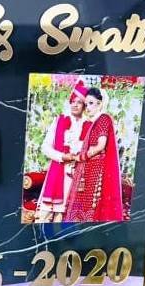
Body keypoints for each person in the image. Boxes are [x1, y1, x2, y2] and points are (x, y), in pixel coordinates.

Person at [64, 87, 123, 222]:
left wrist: (82, 156)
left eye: (91, 103)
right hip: (89, 167)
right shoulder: (94, 122)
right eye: (86, 104)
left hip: (96, 169)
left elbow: (100, 146)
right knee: (85, 204)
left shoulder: (103, 118)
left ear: (100, 104)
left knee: (92, 204)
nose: (87, 108)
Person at [35, 81, 91, 223]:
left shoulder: (89, 125)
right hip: (56, 174)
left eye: (79, 102)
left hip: (75, 177)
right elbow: (45, 147)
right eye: (73, 101)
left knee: (64, 222)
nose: (75, 105)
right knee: (43, 218)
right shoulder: (60, 120)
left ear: (85, 105)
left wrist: (78, 157)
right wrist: (62, 156)